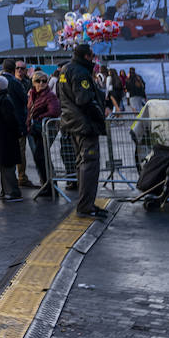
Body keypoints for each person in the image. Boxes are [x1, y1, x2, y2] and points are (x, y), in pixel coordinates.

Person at [58, 43, 108, 218]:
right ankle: (86, 206)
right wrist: (99, 115)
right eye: (92, 55)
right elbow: (84, 100)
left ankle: (85, 204)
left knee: (82, 163)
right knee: (89, 164)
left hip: (72, 123)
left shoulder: (66, 69)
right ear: (87, 56)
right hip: (84, 125)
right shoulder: (80, 72)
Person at [26, 73, 61, 198]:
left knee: (41, 156)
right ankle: (48, 185)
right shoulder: (32, 94)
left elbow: (55, 111)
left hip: (47, 130)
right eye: (38, 81)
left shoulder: (50, 95)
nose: (41, 83)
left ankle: (50, 186)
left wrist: (39, 118)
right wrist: (29, 124)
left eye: (44, 81)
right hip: (35, 130)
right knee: (41, 157)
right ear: (33, 82)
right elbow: (29, 110)